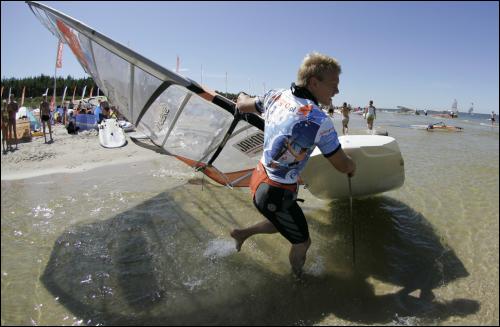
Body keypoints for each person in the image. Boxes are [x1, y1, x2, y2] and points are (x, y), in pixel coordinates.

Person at [230, 52, 356, 277]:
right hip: (274, 193)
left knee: (283, 223)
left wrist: (241, 96)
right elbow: (342, 165)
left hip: (259, 180)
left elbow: (243, 105)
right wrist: (352, 166)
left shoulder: (276, 95)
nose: (337, 91)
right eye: (333, 84)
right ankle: (297, 279)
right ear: (314, 82)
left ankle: (242, 233)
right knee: (302, 243)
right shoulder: (319, 121)